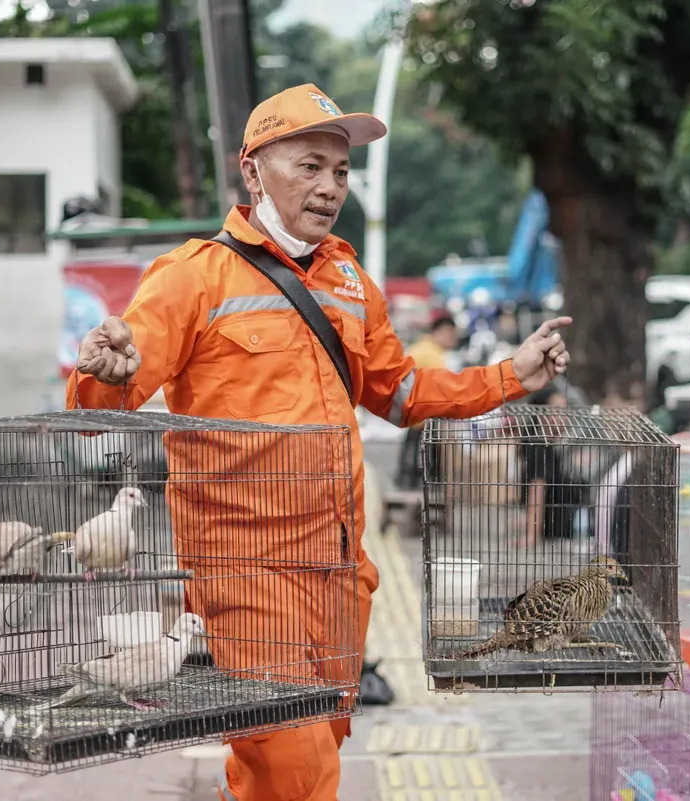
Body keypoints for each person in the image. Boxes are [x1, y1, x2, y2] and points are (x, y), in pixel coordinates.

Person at [68, 83, 572, 801]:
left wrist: (508, 376)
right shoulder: (194, 277)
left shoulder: (347, 280)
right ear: (253, 172)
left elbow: (400, 392)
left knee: (293, 759)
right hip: (245, 571)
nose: (330, 186)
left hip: (338, 568)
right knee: (297, 766)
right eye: (308, 165)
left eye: (339, 171)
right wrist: (106, 374)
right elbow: (106, 394)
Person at [514, 385, 588, 548]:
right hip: (572, 526)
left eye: (565, 410)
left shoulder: (549, 446)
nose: (565, 416)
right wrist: (531, 536)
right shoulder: (538, 447)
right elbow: (537, 490)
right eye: (558, 410)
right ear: (542, 416)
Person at [397, 315, 459, 489]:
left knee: (414, 447)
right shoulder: (431, 355)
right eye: (450, 334)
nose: (452, 339)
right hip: (422, 414)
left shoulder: (423, 347)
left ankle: (407, 479)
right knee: (429, 448)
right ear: (440, 332)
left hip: (411, 410)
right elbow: (444, 387)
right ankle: (427, 483)